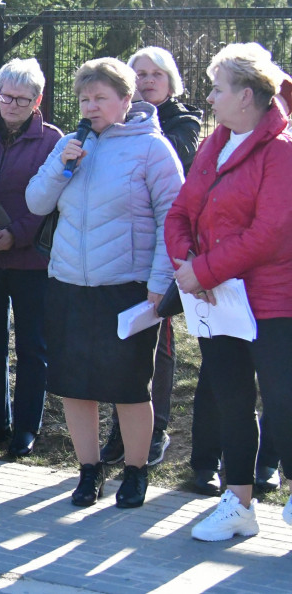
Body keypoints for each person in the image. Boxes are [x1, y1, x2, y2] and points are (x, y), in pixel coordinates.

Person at [26, 57, 183, 509]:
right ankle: (89, 471)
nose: (90, 107)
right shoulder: (71, 144)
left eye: (100, 98)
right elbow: (36, 203)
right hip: (69, 283)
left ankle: (135, 472)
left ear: (126, 100)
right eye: (84, 99)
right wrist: (63, 164)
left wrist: (159, 284)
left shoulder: (153, 149)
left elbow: (172, 220)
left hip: (127, 288)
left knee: (130, 386)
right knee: (76, 385)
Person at [166, 43, 292, 541]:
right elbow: (179, 213)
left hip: (273, 302)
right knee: (230, 400)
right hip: (217, 302)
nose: (210, 98)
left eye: (217, 89)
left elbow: (272, 232)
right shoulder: (214, 144)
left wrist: (207, 271)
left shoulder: (282, 151)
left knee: (283, 399)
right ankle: (239, 502)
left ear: (246, 95)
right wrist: (190, 268)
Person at [95, 47, 204, 469]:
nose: (146, 80)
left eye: (156, 73)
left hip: (164, 249)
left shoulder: (182, 119)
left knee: (157, 344)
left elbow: (174, 157)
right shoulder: (113, 122)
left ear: (171, 80)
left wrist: (142, 123)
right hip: (117, 248)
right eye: (138, 73)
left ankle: (154, 430)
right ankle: (120, 431)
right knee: (121, 342)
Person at [0, 58, 61, 457]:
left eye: (22, 99)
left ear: (37, 100)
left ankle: (26, 427)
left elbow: (52, 201)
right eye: (5, 96)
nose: (11, 104)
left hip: (31, 262)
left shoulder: (53, 141)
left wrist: (17, 235)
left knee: (32, 347)